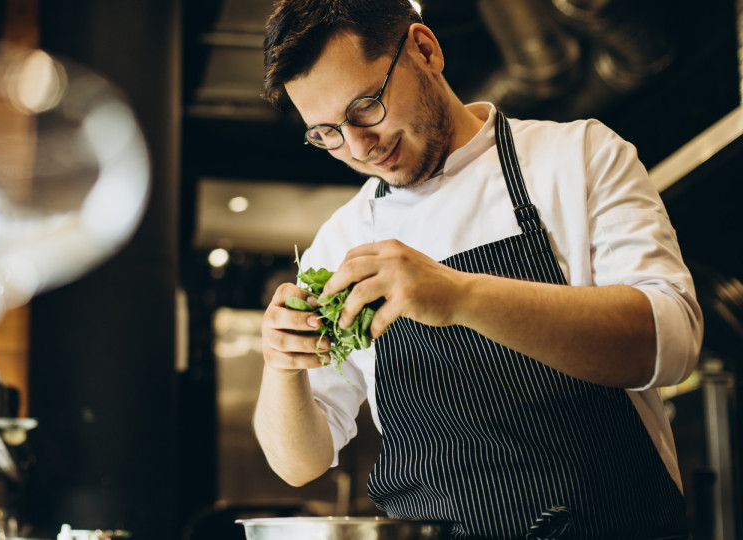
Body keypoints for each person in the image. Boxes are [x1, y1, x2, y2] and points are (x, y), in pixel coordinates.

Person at [253, 1, 704, 538]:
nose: (358, 146)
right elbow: (299, 463)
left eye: (366, 107)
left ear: (425, 49)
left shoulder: (577, 156)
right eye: (326, 133)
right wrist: (282, 365)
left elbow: (672, 344)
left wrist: (460, 296)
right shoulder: (344, 239)